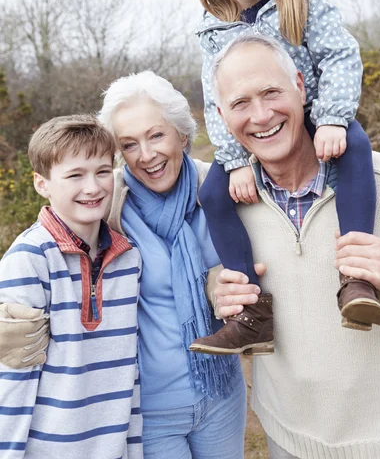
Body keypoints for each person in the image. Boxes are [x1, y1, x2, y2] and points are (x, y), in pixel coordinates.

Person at [0, 72, 246, 459]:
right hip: (150, 406)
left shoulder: (217, 191)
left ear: (182, 134)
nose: (146, 155)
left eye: (156, 136)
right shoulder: (111, 206)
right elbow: (60, 220)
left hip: (221, 392)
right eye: (129, 144)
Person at [190, 0, 380, 355]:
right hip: (256, 137)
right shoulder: (212, 28)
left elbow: (340, 55)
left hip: (317, 115)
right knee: (213, 194)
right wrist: (236, 161)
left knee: (355, 149)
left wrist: (335, 118)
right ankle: (252, 313)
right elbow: (214, 97)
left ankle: (356, 278)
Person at [199, 34, 380, 459]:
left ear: (302, 86)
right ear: (221, 116)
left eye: (272, 92)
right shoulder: (231, 205)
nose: (261, 115)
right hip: (287, 437)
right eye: (240, 103)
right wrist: (220, 286)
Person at [0, 115, 142, 458]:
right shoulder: (29, 259)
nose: (92, 187)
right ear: (41, 183)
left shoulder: (129, 259)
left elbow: (129, 372)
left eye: (102, 171)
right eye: (75, 175)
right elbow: (13, 377)